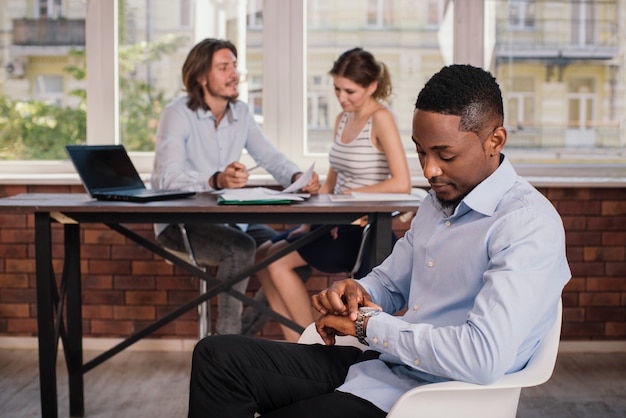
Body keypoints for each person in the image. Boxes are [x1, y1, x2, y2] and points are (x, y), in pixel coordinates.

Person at [187, 64, 571, 418]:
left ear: (495, 140)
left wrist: (368, 327)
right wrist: (355, 293)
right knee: (216, 356)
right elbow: (388, 283)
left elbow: (482, 357)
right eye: (421, 152)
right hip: (381, 367)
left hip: (435, 396)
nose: (429, 170)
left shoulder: (526, 225)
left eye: (445, 154)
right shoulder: (438, 204)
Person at [151, 38, 320, 335]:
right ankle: (226, 349)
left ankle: (238, 337)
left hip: (232, 218)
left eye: (235, 66)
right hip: (181, 224)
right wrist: (215, 180)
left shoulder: (241, 113)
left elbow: (269, 156)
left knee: (293, 253)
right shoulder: (177, 114)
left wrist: (297, 177)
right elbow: (166, 177)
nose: (234, 74)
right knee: (241, 249)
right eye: (224, 67)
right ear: (201, 76)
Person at [254, 47, 411, 342]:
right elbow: (332, 178)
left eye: (349, 91)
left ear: (372, 86)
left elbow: (401, 182)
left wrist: (351, 196)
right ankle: (295, 344)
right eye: (337, 88)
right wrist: (309, 220)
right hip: (334, 221)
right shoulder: (342, 118)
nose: (342, 97)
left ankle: (312, 345)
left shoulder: (381, 119)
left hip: (362, 230)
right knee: (262, 256)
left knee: (276, 261)